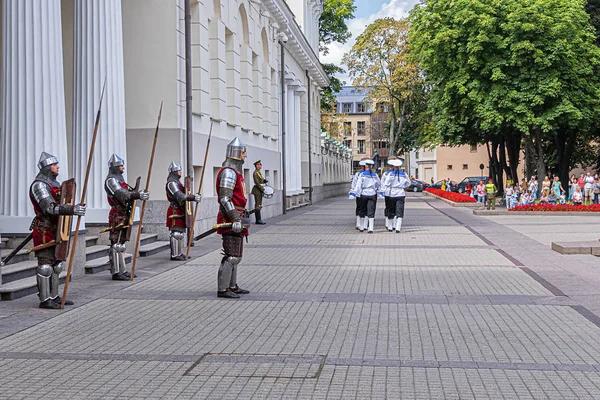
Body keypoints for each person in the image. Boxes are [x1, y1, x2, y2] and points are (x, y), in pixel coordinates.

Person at [29, 152, 86, 309]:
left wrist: (73, 206)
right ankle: (45, 299)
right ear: (47, 167)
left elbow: (62, 202)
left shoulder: (54, 184)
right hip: (44, 230)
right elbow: (49, 207)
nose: (57, 167)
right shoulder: (39, 185)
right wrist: (71, 209)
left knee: (57, 265)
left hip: (58, 229)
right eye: (54, 165)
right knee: (45, 265)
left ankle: (54, 295)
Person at [215, 137, 251, 298]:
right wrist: (235, 218)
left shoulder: (235, 172)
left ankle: (232, 285)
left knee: (237, 255)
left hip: (237, 217)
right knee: (231, 256)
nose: (245, 156)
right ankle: (223, 289)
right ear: (236, 154)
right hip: (229, 218)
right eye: (243, 153)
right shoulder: (228, 172)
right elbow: (225, 199)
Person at [104, 154, 149, 281]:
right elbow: (121, 194)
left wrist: (138, 194)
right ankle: (116, 271)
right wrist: (137, 195)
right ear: (115, 167)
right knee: (116, 243)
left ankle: (122, 270)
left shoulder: (119, 180)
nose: (123, 167)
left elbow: (128, 193)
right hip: (117, 214)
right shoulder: (111, 181)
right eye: (120, 165)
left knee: (122, 244)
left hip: (124, 213)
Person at [165, 162, 201, 261]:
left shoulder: (177, 183)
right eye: (179, 170)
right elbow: (179, 196)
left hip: (180, 209)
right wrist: (192, 197)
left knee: (180, 233)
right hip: (174, 210)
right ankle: (174, 254)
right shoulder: (171, 183)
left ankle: (179, 253)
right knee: (175, 233)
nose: (180, 172)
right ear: (174, 172)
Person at [380, 159, 411, 232]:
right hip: (400, 193)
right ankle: (398, 228)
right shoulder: (404, 174)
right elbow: (408, 183)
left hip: (392, 194)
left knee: (391, 210)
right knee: (399, 210)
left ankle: (390, 226)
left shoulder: (390, 174)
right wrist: (402, 186)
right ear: (400, 167)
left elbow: (386, 183)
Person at [351, 159, 380, 233]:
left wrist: (353, 192)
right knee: (371, 210)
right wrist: (378, 191)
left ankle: (361, 226)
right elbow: (378, 185)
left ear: (366, 166)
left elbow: (357, 185)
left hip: (363, 193)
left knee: (362, 209)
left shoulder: (361, 175)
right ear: (372, 166)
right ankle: (370, 228)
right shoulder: (375, 175)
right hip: (372, 194)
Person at [350, 160, 367, 230]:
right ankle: (363, 223)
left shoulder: (357, 174)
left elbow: (353, 184)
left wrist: (353, 191)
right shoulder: (359, 174)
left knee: (359, 207)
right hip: (361, 193)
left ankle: (359, 223)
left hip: (359, 193)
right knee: (364, 208)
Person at [250, 160, 269, 224]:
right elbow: (257, 183)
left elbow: (261, 181)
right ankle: (258, 220)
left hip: (259, 190)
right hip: (257, 190)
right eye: (258, 165)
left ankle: (259, 219)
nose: (260, 166)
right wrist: (263, 190)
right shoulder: (255, 173)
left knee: (259, 204)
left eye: (260, 164)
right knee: (258, 205)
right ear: (256, 166)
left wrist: (265, 181)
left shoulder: (259, 172)